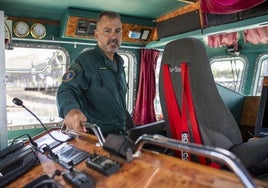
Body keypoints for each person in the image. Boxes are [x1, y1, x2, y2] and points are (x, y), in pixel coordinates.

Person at [56, 11, 127, 137]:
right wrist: (71, 110)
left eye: (117, 31)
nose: (113, 36)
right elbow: (66, 89)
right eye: (107, 30)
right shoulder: (85, 61)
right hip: (96, 136)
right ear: (96, 35)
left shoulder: (120, 64)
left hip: (121, 133)